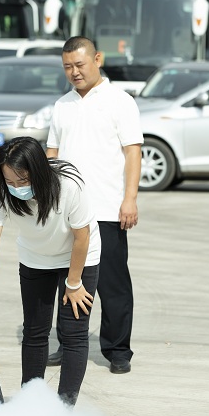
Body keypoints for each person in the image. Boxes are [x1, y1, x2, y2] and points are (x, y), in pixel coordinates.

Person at [0, 136, 100, 406]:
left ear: (38, 172)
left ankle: (64, 410)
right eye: (10, 181)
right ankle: (31, 405)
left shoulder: (69, 185)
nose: (16, 188)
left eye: (23, 181)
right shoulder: (1, 190)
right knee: (34, 332)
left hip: (78, 256)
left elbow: (82, 237)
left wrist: (73, 283)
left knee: (74, 332)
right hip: (35, 258)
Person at [46, 36, 142, 374]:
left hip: (107, 208)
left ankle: (118, 350)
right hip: (68, 211)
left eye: (79, 65)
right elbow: (52, 153)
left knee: (113, 285)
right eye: (67, 67)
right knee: (69, 279)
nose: (74, 72)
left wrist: (129, 199)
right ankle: (69, 341)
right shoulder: (62, 105)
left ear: (97, 59)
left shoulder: (120, 101)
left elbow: (133, 152)